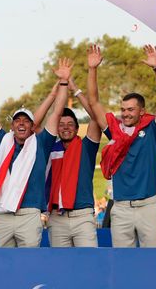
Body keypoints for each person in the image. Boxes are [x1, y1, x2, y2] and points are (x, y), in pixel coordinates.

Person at [87, 44, 156, 248]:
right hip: (121, 208)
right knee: (122, 263)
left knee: (153, 262)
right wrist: (92, 69)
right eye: (123, 109)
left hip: (148, 207)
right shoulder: (115, 130)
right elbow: (94, 102)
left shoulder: (153, 130)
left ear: (142, 112)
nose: (125, 114)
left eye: (131, 110)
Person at [0, 57, 68, 248]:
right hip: (3, 215)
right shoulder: (3, 140)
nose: (21, 123)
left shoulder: (41, 143)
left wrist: (63, 82)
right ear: (12, 125)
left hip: (29, 215)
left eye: (26, 121)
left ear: (32, 126)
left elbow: (57, 113)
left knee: (29, 265)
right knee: (0, 264)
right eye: (17, 120)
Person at [45, 68, 103, 247]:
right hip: (56, 217)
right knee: (59, 269)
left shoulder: (86, 146)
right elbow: (37, 125)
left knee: (88, 265)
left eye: (70, 124)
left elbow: (96, 116)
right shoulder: (49, 148)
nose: (66, 128)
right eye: (61, 125)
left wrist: (75, 89)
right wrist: (55, 93)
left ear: (78, 128)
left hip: (82, 217)